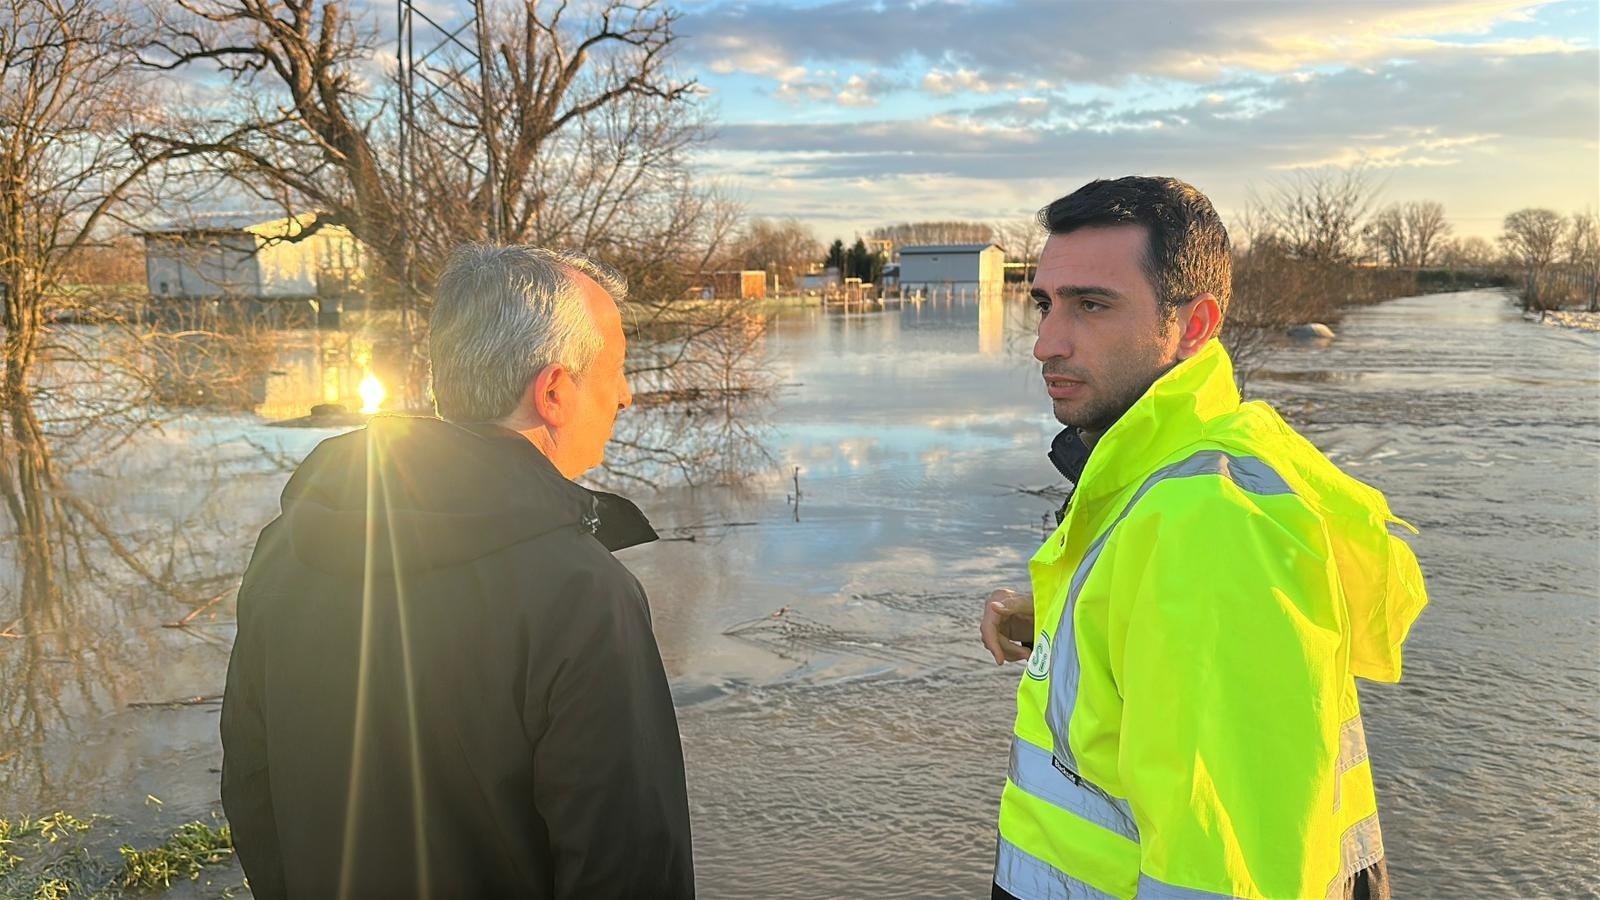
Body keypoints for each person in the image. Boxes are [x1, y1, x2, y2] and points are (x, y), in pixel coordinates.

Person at [979, 177, 1426, 900]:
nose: (1045, 344)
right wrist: (1060, 611)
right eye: (1044, 303)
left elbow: (1229, 874)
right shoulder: (1174, 465)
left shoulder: (1217, 524)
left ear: (1193, 325)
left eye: (1091, 304)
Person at [220, 245, 694, 898]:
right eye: (615, 367)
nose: (626, 393)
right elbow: (631, 871)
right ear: (554, 391)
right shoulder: (580, 594)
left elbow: (252, 788)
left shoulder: (288, 549)